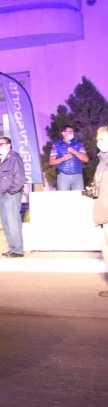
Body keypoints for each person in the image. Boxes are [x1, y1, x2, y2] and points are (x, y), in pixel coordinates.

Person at [0, 136, 26, 257]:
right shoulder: (2, 159)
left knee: (13, 222)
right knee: (7, 223)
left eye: (1, 144)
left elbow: (19, 177)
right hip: (3, 194)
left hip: (11, 194)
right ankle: (13, 248)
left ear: (8, 145)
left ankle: (18, 249)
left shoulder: (14, 157)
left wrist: (11, 191)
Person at [91, 126, 108, 296]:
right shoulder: (102, 160)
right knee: (106, 250)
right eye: (98, 139)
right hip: (102, 211)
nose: (99, 142)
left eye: (103, 139)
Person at [49, 125, 89, 190]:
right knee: (64, 198)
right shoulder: (56, 145)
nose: (72, 133)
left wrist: (74, 151)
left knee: (78, 197)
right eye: (70, 131)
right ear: (63, 133)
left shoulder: (79, 143)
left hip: (78, 175)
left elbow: (86, 159)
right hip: (63, 175)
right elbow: (51, 162)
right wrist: (63, 159)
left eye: (73, 131)